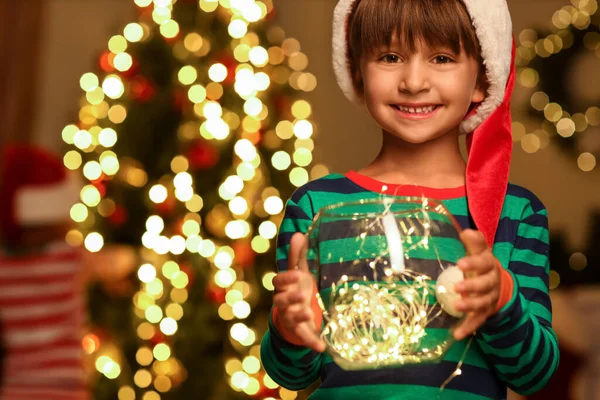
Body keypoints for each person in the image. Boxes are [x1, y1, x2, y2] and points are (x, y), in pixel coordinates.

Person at [260, 0, 559, 399]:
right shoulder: (316, 206)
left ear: (483, 78)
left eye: (441, 57)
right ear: (356, 70)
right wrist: (290, 327)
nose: (414, 81)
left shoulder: (516, 214)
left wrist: (501, 300)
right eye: (390, 56)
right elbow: (290, 374)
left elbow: (534, 376)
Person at [0, 144, 88, 399]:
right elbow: (115, 264)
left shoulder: (4, 267)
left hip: (16, 388)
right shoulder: (71, 258)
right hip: (65, 388)